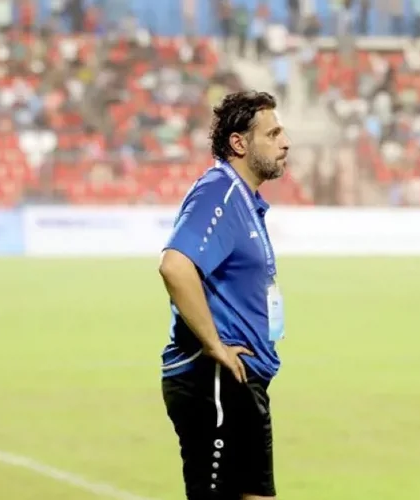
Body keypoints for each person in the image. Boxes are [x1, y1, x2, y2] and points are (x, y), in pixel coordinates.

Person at [158, 90, 291, 500]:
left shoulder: (246, 201)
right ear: (239, 143)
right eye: (273, 134)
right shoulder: (220, 192)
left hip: (243, 382)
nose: (285, 143)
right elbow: (175, 266)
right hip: (216, 380)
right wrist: (214, 345)